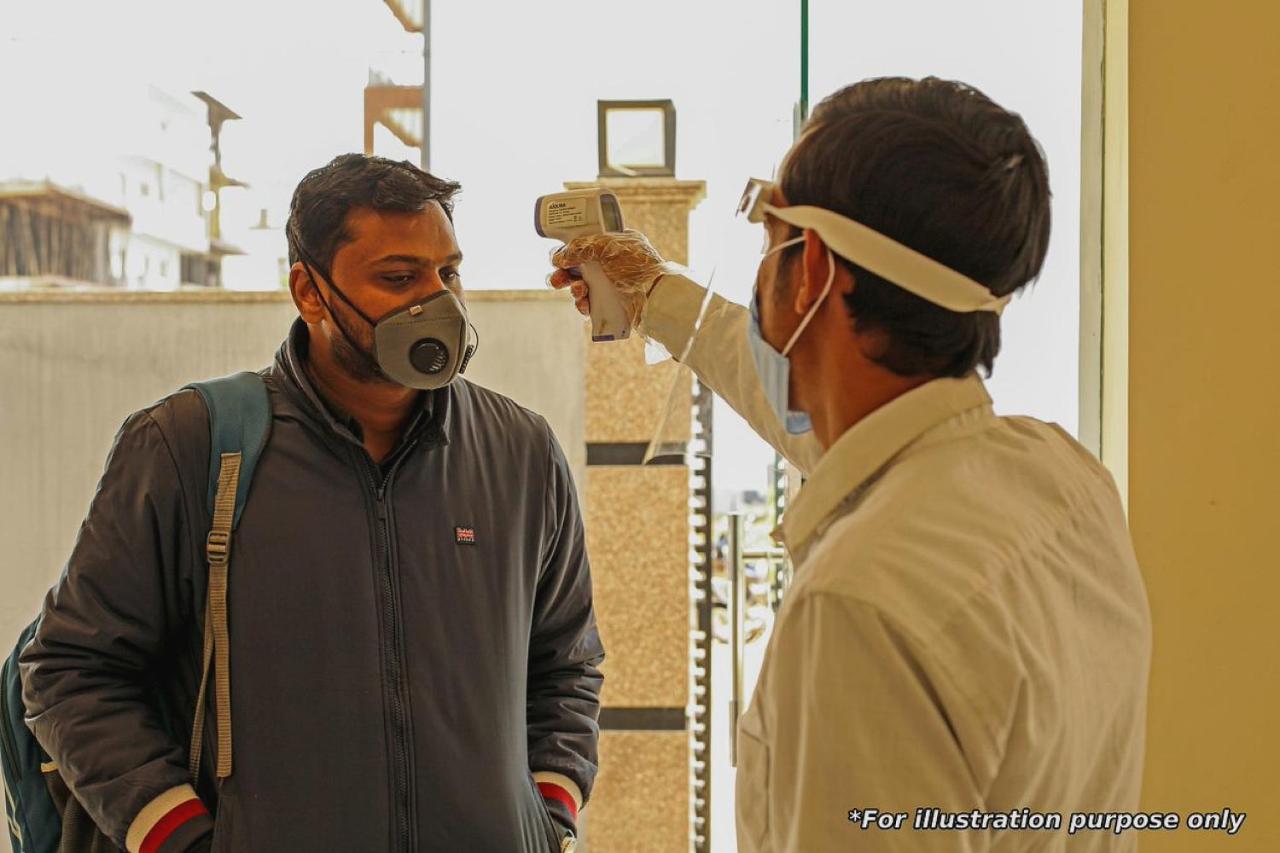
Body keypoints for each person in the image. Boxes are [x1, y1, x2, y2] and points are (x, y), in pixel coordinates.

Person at [551, 77, 1150, 851]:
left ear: (812, 266)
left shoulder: (857, 604)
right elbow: (830, 427)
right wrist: (656, 293)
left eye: (769, 226)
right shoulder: (1065, 480)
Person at [22, 154, 602, 853]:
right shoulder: (189, 446)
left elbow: (567, 666)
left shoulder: (521, 452)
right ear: (309, 291)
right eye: (399, 278)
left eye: (447, 273)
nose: (437, 301)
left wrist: (548, 816)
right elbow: (70, 671)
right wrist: (180, 837)